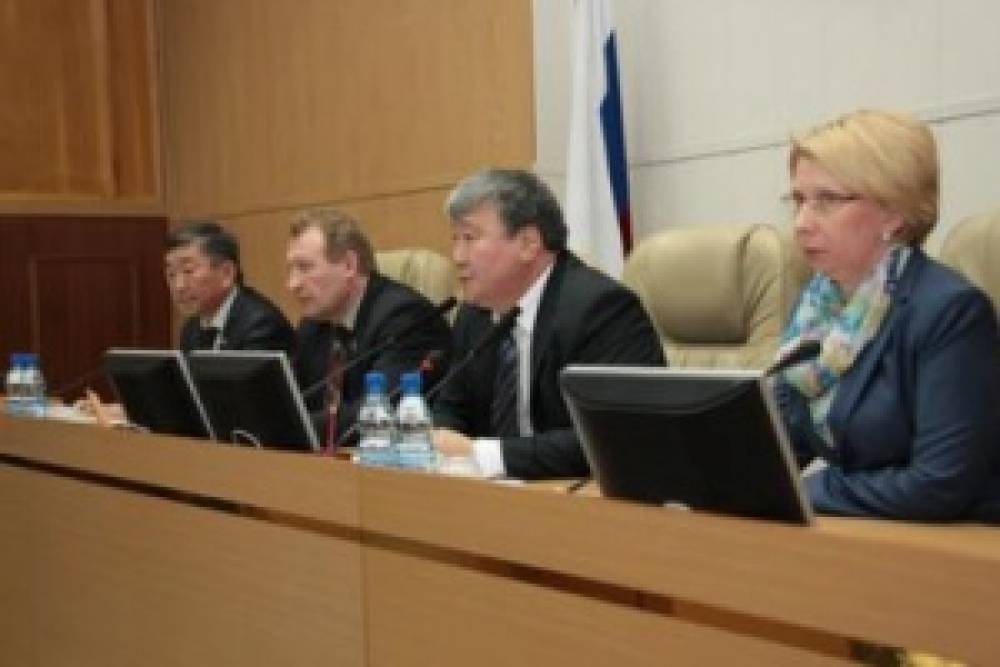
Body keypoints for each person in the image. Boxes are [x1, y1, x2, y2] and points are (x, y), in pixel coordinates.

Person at [774, 109, 1000, 522]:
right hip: (865, 527)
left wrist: (805, 488)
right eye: (799, 200)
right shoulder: (816, 311)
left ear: (894, 213)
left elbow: (939, 484)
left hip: (954, 540)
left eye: (826, 201)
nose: (802, 223)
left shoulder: (949, 312)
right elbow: (788, 440)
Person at [432, 168, 665, 479]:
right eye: (455, 239)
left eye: (470, 238)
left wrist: (484, 454)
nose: (458, 256)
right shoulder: (475, 315)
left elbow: (617, 435)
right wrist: (440, 440)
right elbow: (451, 406)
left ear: (528, 244)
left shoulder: (600, 309)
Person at [286, 207, 452, 444]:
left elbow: (378, 414)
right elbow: (297, 401)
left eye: (305, 267)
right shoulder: (312, 325)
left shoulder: (406, 318)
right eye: (291, 269)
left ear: (349, 265)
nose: (292, 284)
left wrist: (288, 428)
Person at [165, 220, 295, 354]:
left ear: (226, 273)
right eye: (171, 274)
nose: (179, 286)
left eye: (188, 271)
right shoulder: (191, 329)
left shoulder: (261, 325)